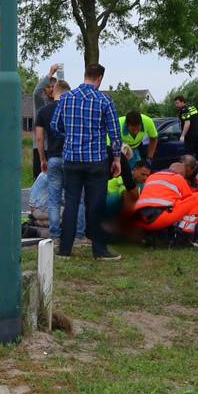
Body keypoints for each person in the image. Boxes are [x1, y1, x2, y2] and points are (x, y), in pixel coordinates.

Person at [51, 63, 123, 261]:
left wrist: (70, 136)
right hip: (96, 161)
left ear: (85, 75)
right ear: (99, 78)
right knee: (97, 205)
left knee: (71, 203)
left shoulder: (66, 98)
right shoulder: (104, 101)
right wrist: (116, 158)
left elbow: (55, 126)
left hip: (71, 160)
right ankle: (99, 250)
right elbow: (115, 134)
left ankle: (65, 249)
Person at [34, 80, 84, 243]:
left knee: (54, 200)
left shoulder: (44, 111)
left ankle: (55, 235)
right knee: (77, 198)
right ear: (67, 92)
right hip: (73, 158)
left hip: (53, 158)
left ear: (54, 91)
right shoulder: (75, 109)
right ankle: (78, 234)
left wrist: (43, 159)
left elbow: (39, 138)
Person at [131, 160, 198, 239]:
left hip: (139, 219)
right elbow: (188, 198)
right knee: (197, 197)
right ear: (181, 174)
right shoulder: (178, 178)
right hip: (158, 220)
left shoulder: (151, 177)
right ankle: (184, 235)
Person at [30, 63, 60, 179]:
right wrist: (50, 73)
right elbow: (36, 92)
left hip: (56, 149)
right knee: (40, 180)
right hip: (41, 149)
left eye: (53, 87)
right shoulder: (40, 103)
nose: (51, 89)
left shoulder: (60, 104)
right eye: (48, 87)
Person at [174, 95, 198, 160]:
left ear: (182, 102)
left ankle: (190, 166)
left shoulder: (184, 110)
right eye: (175, 103)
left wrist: (182, 135)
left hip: (191, 136)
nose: (176, 105)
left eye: (177, 103)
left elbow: (187, 123)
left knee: (188, 157)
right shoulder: (192, 107)